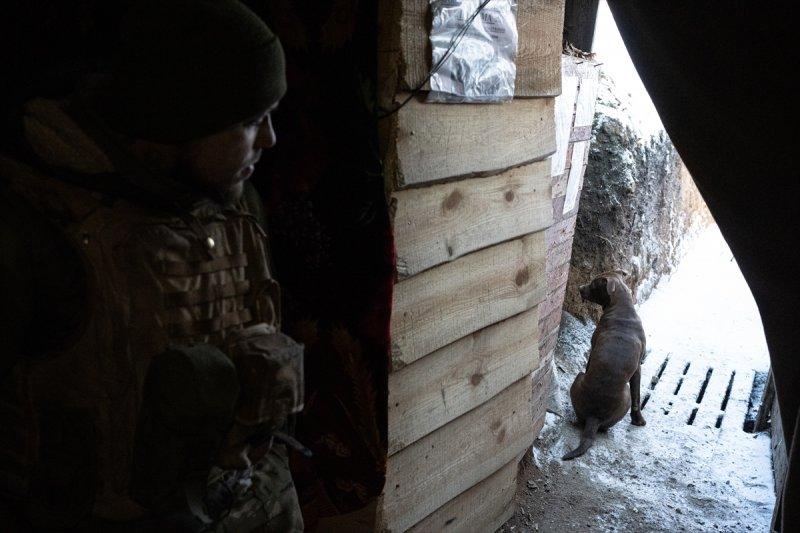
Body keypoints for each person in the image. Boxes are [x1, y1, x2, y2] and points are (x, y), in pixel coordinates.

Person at [0, 1, 304, 530]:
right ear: (176, 121)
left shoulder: (238, 203)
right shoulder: (38, 228)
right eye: (252, 120)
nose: (272, 140)